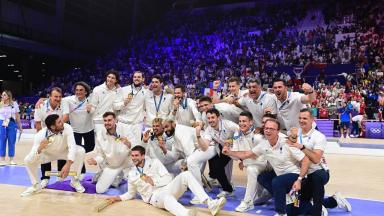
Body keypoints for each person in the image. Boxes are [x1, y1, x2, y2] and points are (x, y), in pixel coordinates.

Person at [105, 145, 226, 216]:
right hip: (154, 196)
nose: (134, 158)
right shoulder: (131, 174)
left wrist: (153, 182)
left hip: (168, 187)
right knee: (168, 198)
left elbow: (168, 178)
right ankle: (185, 214)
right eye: (132, 156)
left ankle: (210, 204)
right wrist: (117, 198)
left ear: (143, 156)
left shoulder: (155, 163)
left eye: (136, 155)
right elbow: (130, 193)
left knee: (187, 174)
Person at [223, 119, 311, 216]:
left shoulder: (287, 143)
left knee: (278, 182)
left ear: (278, 131)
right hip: (282, 179)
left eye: (272, 129)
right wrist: (230, 152)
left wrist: (299, 179)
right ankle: (287, 199)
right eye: (266, 128)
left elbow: (305, 160)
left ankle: (281, 213)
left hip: (296, 176)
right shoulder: (263, 144)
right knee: (262, 177)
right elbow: (246, 154)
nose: (268, 131)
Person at [287, 108, 351, 215]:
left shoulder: (319, 136)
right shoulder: (294, 133)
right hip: (301, 174)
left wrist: (302, 147)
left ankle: (317, 211)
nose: (301, 120)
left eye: (305, 118)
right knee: (297, 208)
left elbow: (316, 159)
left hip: (319, 171)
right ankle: (334, 200)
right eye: (300, 118)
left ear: (312, 120)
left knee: (316, 179)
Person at [21, 114, 85, 196]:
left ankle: (75, 181)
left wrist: (68, 164)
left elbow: (72, 146)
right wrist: (40, 148)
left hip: (64, 152)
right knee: (27, 160)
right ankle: (36, 185)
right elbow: (32, 156)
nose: (62, 122)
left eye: (61, 120)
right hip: (48, 155)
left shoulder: (67, 127)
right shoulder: (40, 135)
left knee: (80, 151)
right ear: (53, 127)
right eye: (59, 122)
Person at [230, 111, 270, 212]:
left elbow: (262, 159)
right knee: (252, 169)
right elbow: (235, 156)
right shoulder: (237, 133)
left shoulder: (258, 135)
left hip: (267, 164)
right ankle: (260, 194)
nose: (241, 123)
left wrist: (244, 162)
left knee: (251, 169)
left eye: (244, 121)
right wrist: (229, 150)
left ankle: (247, 202)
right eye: (240, 121)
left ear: (251, 122)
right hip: (253, 162)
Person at [87, 112, 137, 193]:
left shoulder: (125, 129)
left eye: (109, 120)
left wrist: (128, 144)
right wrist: (95, 160)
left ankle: (126, 176)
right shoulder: (100, 135)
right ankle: (117, 175)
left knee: (136, 185)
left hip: (127, 161)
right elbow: (101, 155)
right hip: (112, 165)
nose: (107, 123)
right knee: (99, 190)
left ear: (115, 120)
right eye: (105, 121)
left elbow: (136, 148)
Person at [195, 108, 239, 198]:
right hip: (224, 149)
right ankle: (227, 189)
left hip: (237, 147)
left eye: (213, 117)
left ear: (218, 117)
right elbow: (205, 147)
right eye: (209, 118)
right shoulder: (208, 129)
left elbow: (240, 130)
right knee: (217, 167)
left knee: (218, 168)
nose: (210, 120)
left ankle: (218, 180)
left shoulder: (228, 124)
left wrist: (232, 140)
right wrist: (198, 135)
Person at [34, 87, 66, 188]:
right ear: (50, 97)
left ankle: (60, 177)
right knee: (45, 156)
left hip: (60, 133)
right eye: (55, 96)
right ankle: (45, 178)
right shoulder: (40, 106)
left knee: (61, 154)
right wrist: (41, 138)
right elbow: (38, 124)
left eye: (60, 97)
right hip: (46, 134)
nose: (58, 99)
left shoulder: (64, 104)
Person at [62, 82, 94, 178]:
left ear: (86, 92)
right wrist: (41, 99)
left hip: (89, 130)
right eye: (77, 90)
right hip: (75, 131)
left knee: (90, 150)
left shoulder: (91, 100)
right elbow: (55, 98)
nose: (78, 92)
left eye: (81, 90)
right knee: (78, 152)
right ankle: (81, 172)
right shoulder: (68, 100)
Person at [113, 71, 148, 142]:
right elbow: (115, 106)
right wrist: (124, 103)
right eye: (135, 77)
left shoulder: (146, 92)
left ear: (143, 79)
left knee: (135, 149)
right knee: (119, 148)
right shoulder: (123, 89)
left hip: (137, 126)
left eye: (139, 77)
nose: (136, 79)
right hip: (123, 124)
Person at [0, 90, 22, 166]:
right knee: (2, 141)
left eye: (4, 95)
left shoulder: (14, 104)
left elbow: (17, 116)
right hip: (2, 123)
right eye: (2, 95)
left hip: (12, 123)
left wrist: (20, 126)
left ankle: (11, 159)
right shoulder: (0, 104)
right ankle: (2, 159)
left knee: (11, 141)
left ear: (8, 96)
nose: (2, 96)